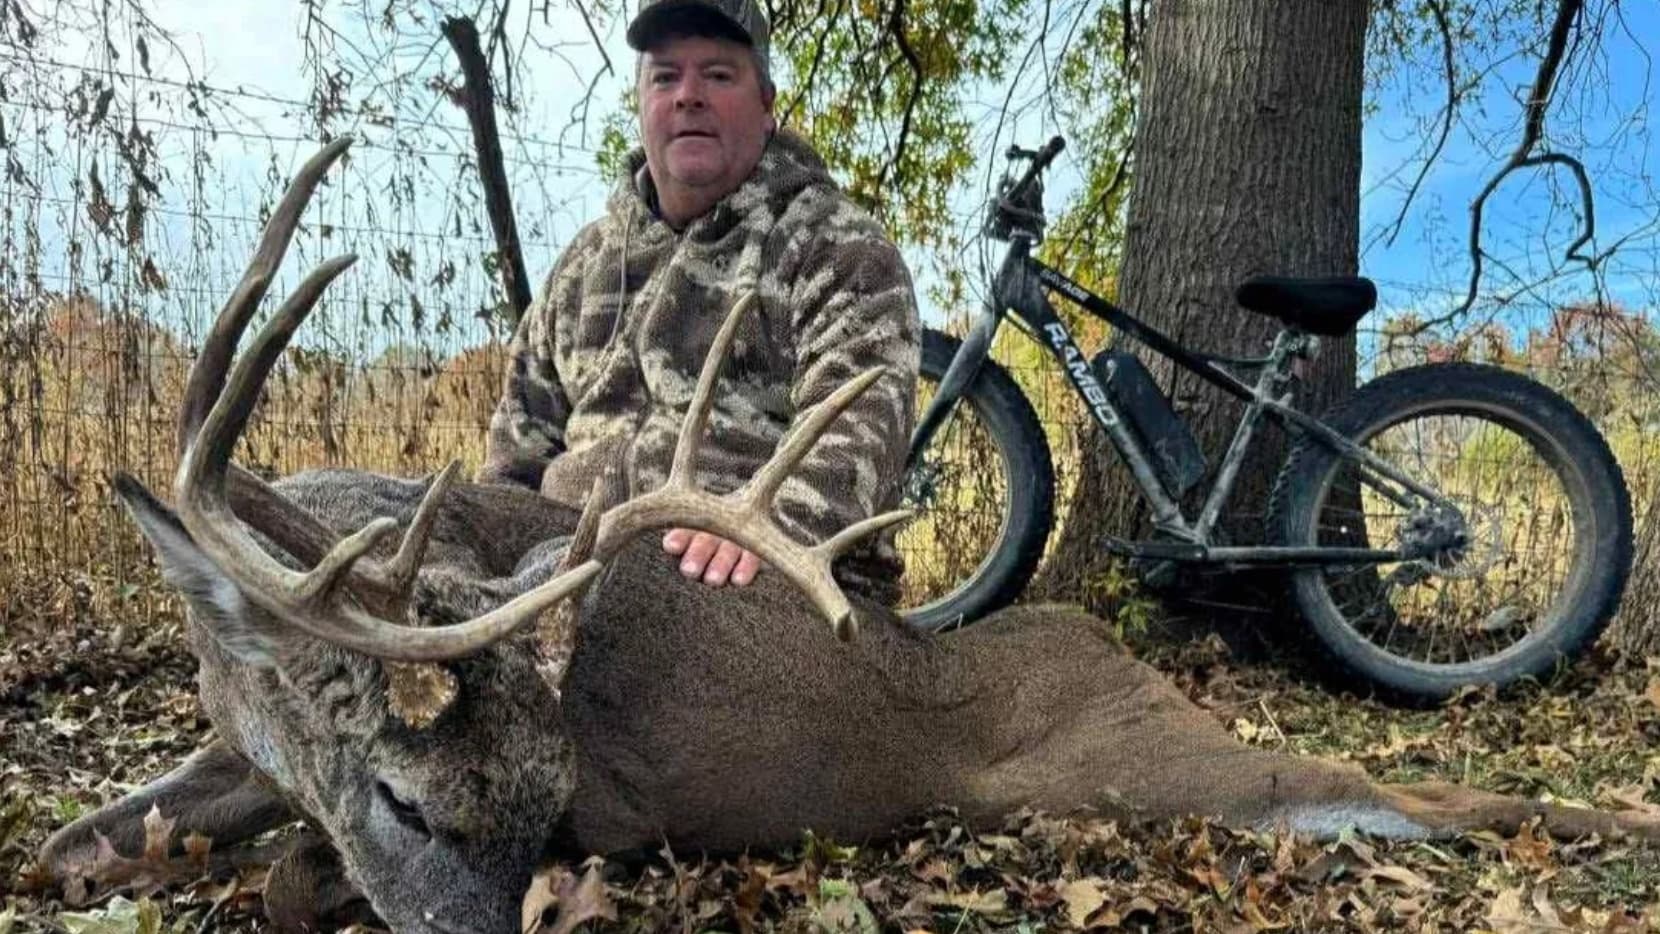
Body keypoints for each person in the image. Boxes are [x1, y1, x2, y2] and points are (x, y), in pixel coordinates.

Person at [478, 0, 921, 604]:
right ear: (640, 103)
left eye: (718, 74)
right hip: (570, 574)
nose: (688, 95)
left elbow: (861, 423)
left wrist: (774, 525)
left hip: (751, 589)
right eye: (665, 76)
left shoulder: (835, 247)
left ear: (766, 106)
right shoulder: (581, 271)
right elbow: (511, 471)